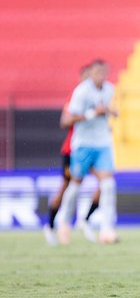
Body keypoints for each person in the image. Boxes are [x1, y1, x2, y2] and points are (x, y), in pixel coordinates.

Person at [55, 59, 119, 245]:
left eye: (104, 72)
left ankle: (107, 230)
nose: (101, 76)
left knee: (108, 184)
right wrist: (93, 113)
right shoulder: (81, 91)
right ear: (91, 73)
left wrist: (110, 112)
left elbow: (108, 110)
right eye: (97, 72)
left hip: (103, 142)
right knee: (75, 184)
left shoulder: (110, 89)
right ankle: (64, 223)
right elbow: (68, 119)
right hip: (83, 143)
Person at [43, 64, 102, 246]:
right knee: (67, 186)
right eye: (87, 78)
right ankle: (51, 225)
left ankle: (85, 220)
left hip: (94, 147)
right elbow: (65, 121)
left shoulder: (98, 97)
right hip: (73, 150)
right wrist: (88, 115)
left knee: (105, 182)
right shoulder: (75, 97)